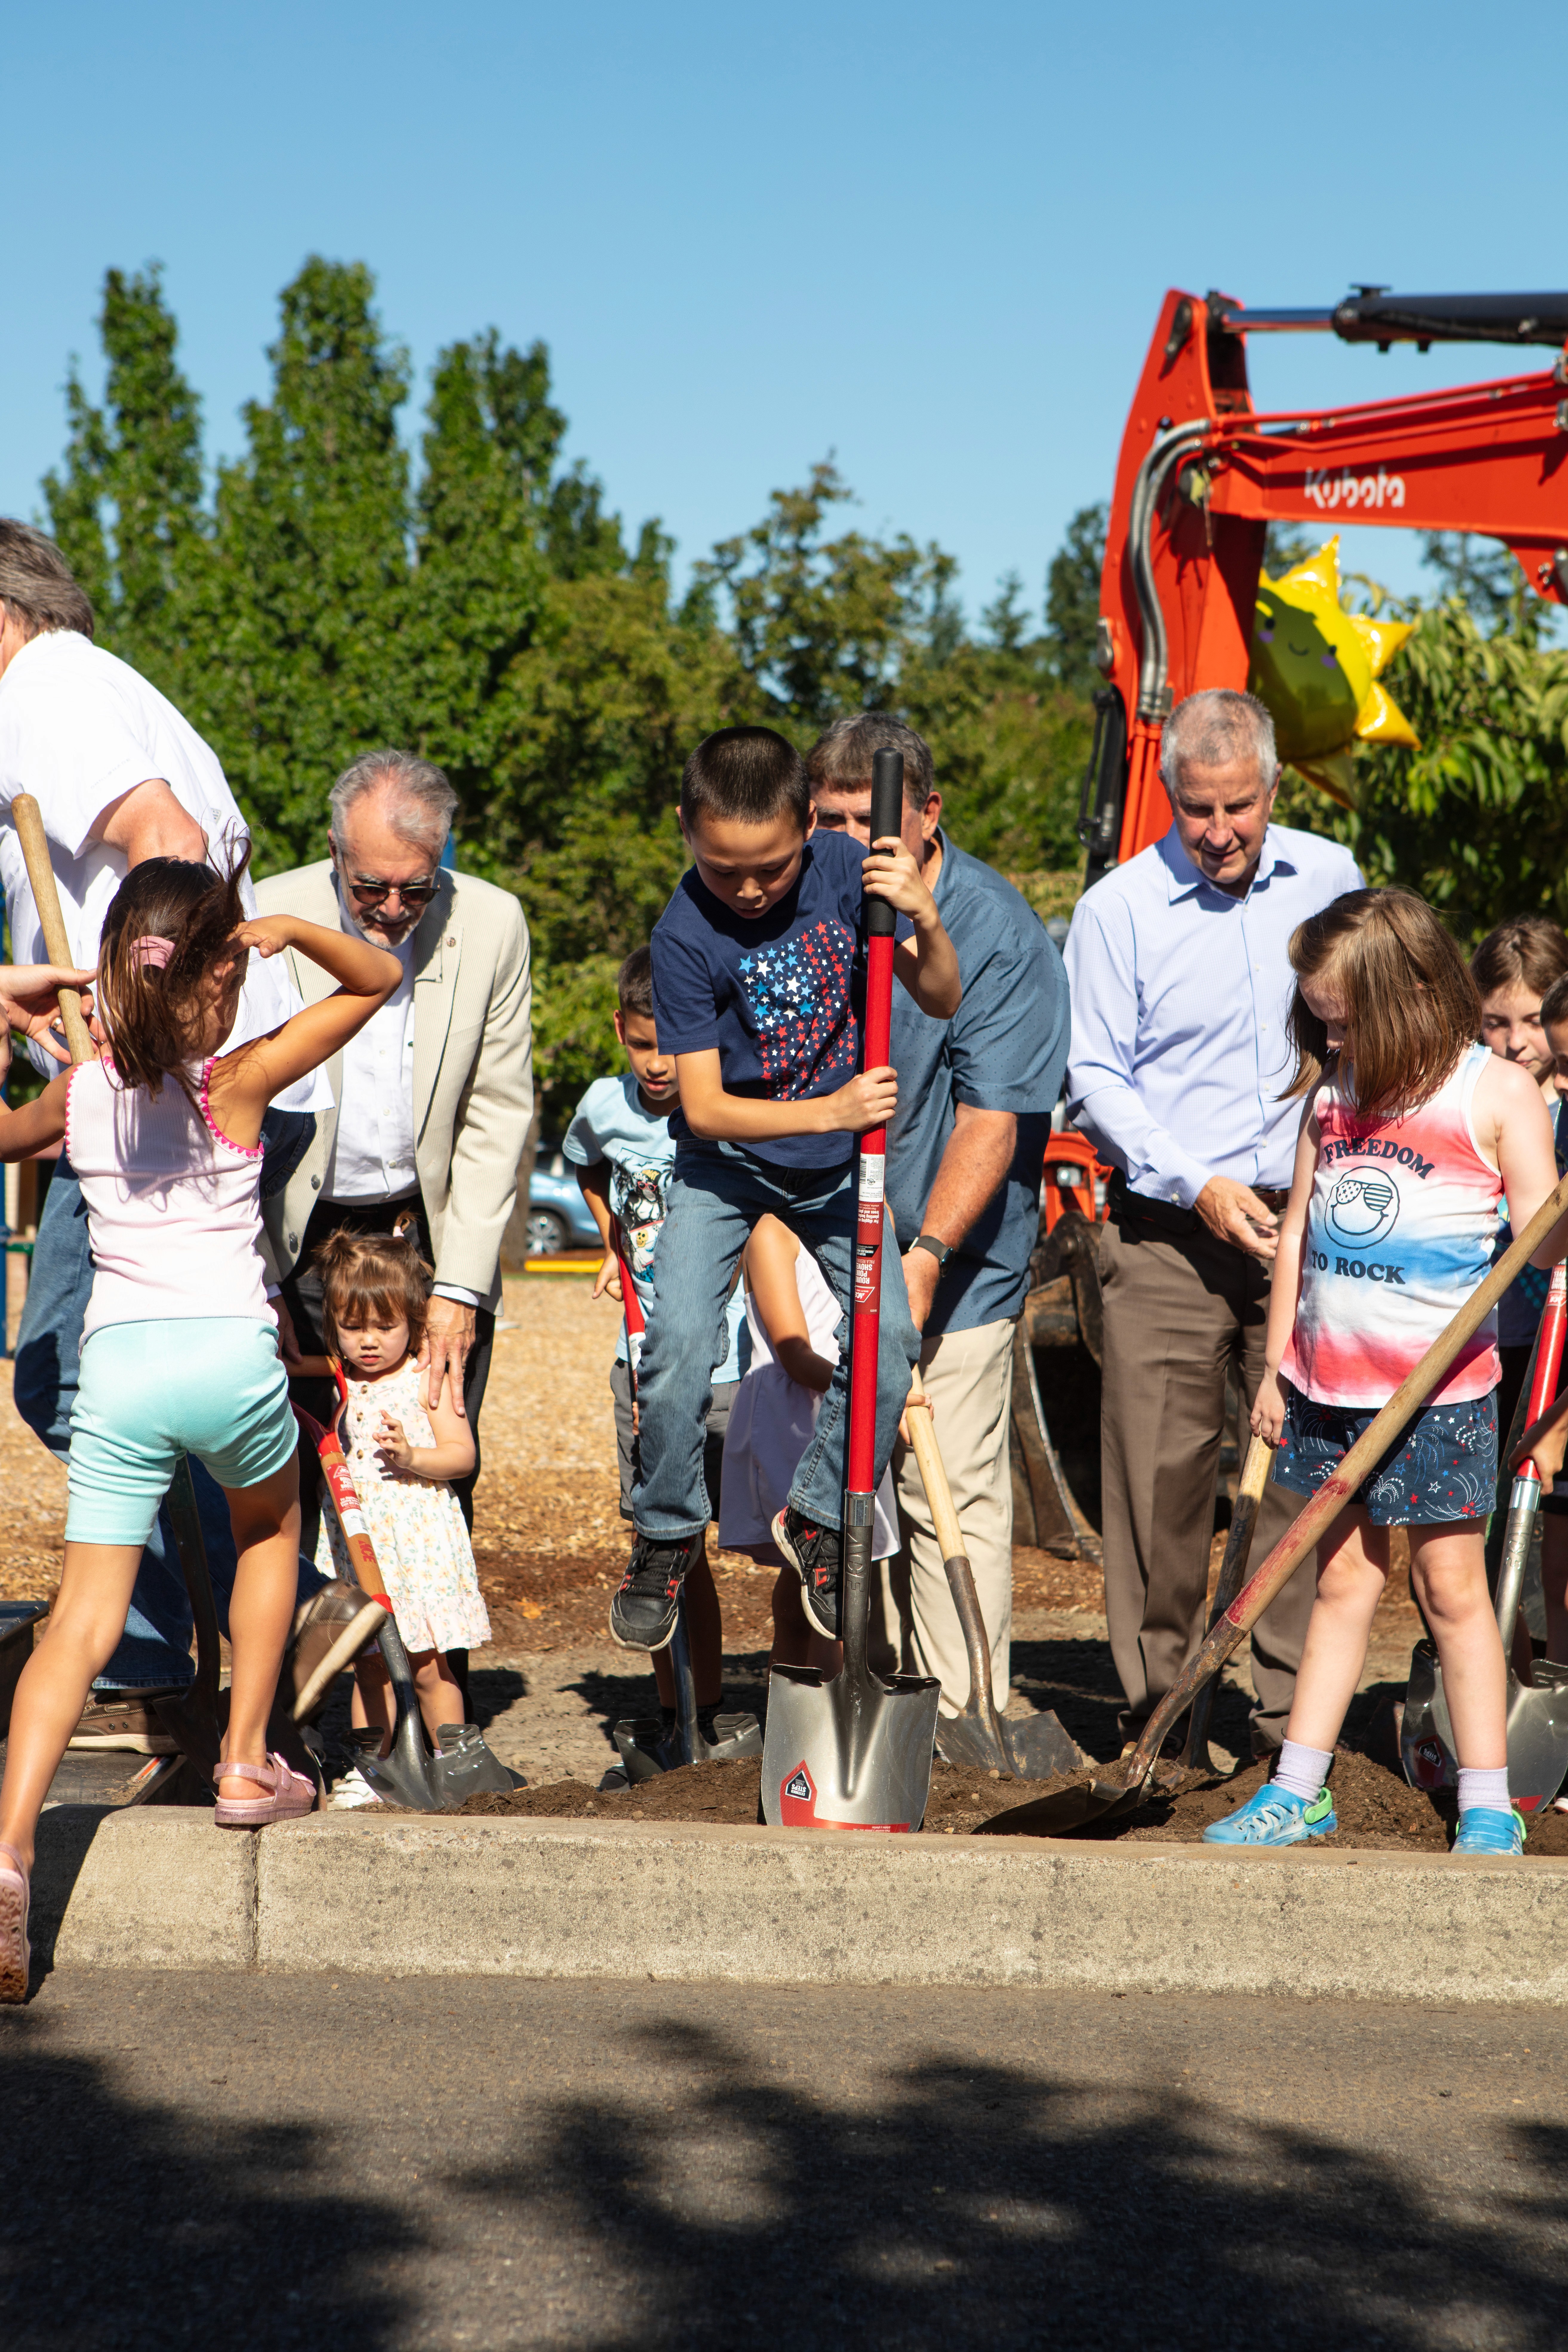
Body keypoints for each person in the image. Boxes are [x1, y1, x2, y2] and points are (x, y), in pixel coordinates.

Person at [0, 851, 402, 2001]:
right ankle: (243, 1764)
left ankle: (11, 1849)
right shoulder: (237, 1084)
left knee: (79, 1619)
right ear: (218, 976)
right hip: (229, 1361)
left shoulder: (77, 1094)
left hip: (121, 1369)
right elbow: (372, 980)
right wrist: (293, 931)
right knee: (269, 1536)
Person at [0, 518, 364, 1751]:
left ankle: (241, 1622)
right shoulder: (100, 689)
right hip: (187, 1084)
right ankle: (197, 1653)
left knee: (71, 1371)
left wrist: (130, 1018)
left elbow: (169, 844)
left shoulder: (40, 687)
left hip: (177, 1094)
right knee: (144, 1371)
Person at [1206, 888, 1566, 1856]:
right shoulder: (1334, 1093)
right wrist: (1277, 1365)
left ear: (1412, 990)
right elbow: (1296, 1244)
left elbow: (1540, 1246)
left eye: (1348, 1018)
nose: (1335, 1039)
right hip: (1327, 1389)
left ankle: (1487, 1799)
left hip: (1438, 1398)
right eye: (1321, 1021)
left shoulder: (1490, 1093)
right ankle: (1299, 1788)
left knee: (1451, 1593)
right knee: (1338, 1589)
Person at [613, 724, 960, 1650]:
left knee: (887, 1341)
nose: (752, 889)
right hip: (726, 1167)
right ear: (686, 830)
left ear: (809, 821)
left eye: (770, 866)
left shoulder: (850, 870)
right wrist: (831, 1110)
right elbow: (706, 1108)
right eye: (726, 871)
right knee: (680, 1341)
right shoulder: (685, 934)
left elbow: (940, 996)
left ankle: (817, 1515)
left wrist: (920, 915)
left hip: (837, 1173)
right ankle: (665, 1531)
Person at [1064, 688, 1364, 1758]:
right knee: (1159, 1482)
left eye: (1239, 807)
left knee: (1301, 1477)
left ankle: (1294, 1728)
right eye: (1197, 810)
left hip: (1311, 1233)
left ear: (1272, 789)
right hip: (1167, 1236)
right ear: (1168, 795)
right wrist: (1194, 1182)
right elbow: (1094, 1073)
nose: (1220, 833)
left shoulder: (1332, 879)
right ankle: (1162, 1722)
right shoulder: (1117, 910)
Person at [806, 714, 1067, 1713]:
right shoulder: (804, 906)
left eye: (866, 822)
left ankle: (963, 1717)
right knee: (837, 1499)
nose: (846, 844)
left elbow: (992, 1123)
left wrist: (921, 1260)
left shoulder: (995, 931)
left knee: (942, 1493)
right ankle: (866, 1710)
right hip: (831, 1251)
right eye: (826, 821)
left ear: (927, 815)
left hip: (954, 1268)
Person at [255, 751, 533, 1568]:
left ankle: (434, 1680)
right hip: (298, 1235)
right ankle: (300, 1684)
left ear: (442, 856)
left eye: (416, 889)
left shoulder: (491, 922)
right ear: (335, 852)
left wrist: (459, 1288)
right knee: (289, 1474)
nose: (390, 909)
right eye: (369, 887)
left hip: (424, 1242)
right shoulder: (271, 913)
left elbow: (498, 1107)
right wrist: (258, 1276)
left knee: (430, 1470)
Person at [565, 945, 748, 1733]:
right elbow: (582, 1164)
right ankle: (685, 1714)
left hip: (737, 1365)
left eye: (673, 1044)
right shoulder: (604, 1107)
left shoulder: (732, 1101)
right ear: (620, 1030)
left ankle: (804, 1691)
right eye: (643, 1043)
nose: (659, 1063)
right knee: (665, 1548)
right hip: (639, 1366)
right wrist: (613, 1241)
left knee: (778, 1538)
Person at [298, 1232, 491, 1807]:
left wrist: (412, 1457)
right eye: (353, 1327)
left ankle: (454, 1763)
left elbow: (463, 1456)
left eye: (384, 1326)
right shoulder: (337, 1377)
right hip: (362, 1552)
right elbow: (283, 1361)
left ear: (413, 1319)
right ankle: (373, 1770)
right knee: (372, 1668)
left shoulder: (426, 1378)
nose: (369, 1341)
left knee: (431, 1668)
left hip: (419, 1551)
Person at [719, 1213, 899, 1669]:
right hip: (794, 1419)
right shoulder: (770, 1232)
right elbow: (795, 1355)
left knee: (832, 1568)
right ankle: (815, 1713)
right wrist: (874, 1390)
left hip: (853, 1407)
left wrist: (891, 1382)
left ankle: (813, 1711)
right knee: (822, 1571)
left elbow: (888, 1320)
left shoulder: (874, 1214)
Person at [1471, 917, 1568, 1440]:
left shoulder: (1563, 1107)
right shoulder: (1472, 1101)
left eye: (1533, 1021)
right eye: (1495, 1023)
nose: (1515, 1042)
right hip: (1488, 1331)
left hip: (1554, 1334)